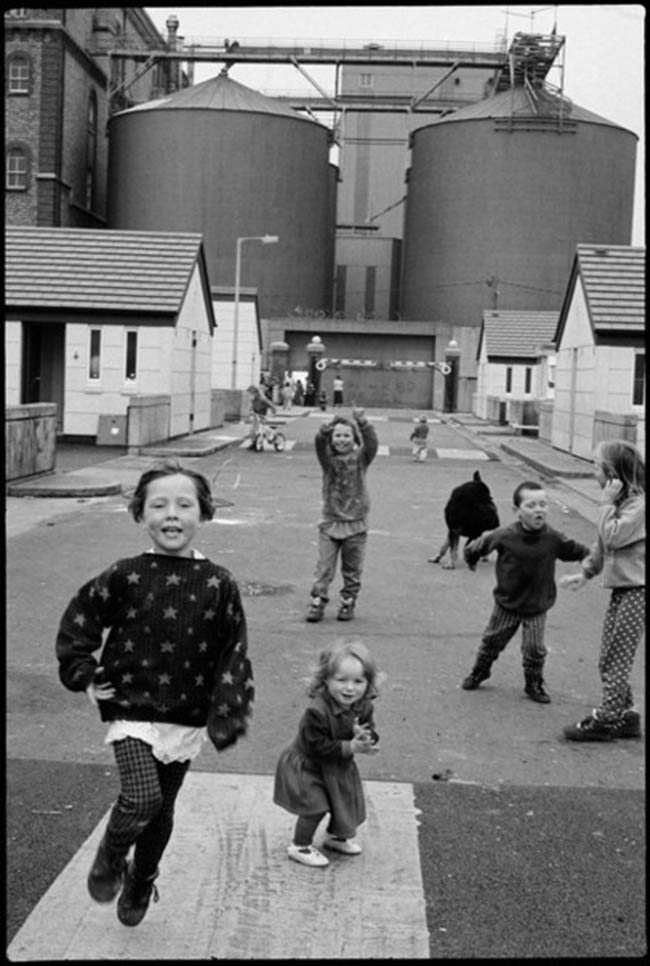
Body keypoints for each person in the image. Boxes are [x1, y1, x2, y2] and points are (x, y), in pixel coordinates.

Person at [55, 459, 253, 927]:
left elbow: (234, 648)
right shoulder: (125, 574)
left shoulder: (219, 582)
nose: (171, 514)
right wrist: (83, 672)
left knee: (162, 811)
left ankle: (142, 878)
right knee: (142, 799)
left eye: (184, 505)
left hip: (185, 715)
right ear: (140, 515)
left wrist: (229, 706)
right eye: (158, 505)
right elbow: (80, 618)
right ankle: (111, 853)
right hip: (130, 708)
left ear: (203, 514)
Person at [460, 480, 590, 703]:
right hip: (507, 603)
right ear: (516, 511)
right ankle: (480, 671)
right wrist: (470, 558)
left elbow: (581, 551)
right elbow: (477, 546)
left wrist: (590, 565)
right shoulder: (504, 535)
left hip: (537, 605)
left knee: (534, 648)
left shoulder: (553, 538)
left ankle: (533, 682)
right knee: (491, 641)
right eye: (531, 506)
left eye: (543, 504)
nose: (539, 510)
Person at [560, 440, 645, 741]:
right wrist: (584, 573)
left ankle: (608, 718)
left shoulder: (638, 506)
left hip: (638, 591)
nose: (592, 471)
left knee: (615, 657)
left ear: (613, 474)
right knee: (609, 655)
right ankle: (628, 714)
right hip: (624, 590)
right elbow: (600, 545)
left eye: (596, 466)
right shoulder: (619, 506)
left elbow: (613, 537)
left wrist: (606, 504)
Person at [273, 639, 380, 867]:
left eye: (358, 681)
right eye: (341, 680)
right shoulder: (317, 711)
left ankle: (336, 837)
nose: (350, 688)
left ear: (368, 683)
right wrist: (351, 747)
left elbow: (370, 730)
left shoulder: (363, 706)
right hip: (309, 765)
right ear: (326, 680)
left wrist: (367, 739)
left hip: (337, 765)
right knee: (315, 807)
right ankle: (300, 845)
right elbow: (316, 746)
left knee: (345, 803)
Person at [306, 409, 379, 622]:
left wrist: (363, 423)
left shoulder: (361, 458)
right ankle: (317, 601)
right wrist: (322, 432)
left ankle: (348, 601)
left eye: (346, 435)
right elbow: (320, 444)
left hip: (355, 523)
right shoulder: (327, 460)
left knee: (352, 569)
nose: (342, 439)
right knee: (324, 568)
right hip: (330, 522)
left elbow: (372, 444)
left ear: (355, 439)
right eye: (337, 435)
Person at [247, 383, 276, 448]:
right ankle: (254, 443)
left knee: (262, 429)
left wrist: (273, 411)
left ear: (255, 393)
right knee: (252, 430)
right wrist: (250, 411)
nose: (249, 396)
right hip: (256, 415)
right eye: (249, 394)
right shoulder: (253, 400)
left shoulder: (262, 399)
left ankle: (271, 435)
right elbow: (252, 407)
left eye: (251, 394)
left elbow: (271, 404)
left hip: (262, 416)